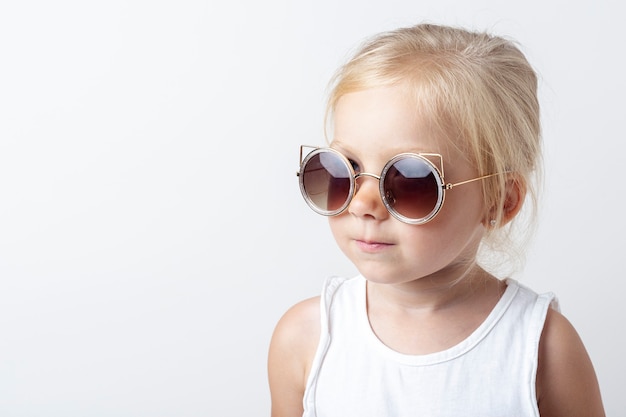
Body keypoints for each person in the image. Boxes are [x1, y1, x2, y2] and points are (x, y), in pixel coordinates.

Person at [268, 23, 605, 417]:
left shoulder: (543, 349)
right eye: (344, 169)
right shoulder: (308, 338)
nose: (362, 203)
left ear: (499, 202)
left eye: (411, 180)